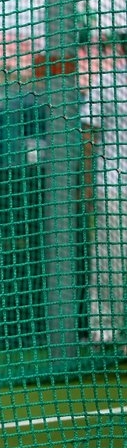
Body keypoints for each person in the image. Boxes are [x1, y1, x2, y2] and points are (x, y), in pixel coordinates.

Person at [81, 31, 127, 346]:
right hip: (113, 184)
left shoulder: (106, 81)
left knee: (112, 258)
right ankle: (106, 332)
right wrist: (86, 185)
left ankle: (109, 331)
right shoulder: (107, 81)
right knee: (111, 258)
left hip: (112, 185)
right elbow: (88, 134)